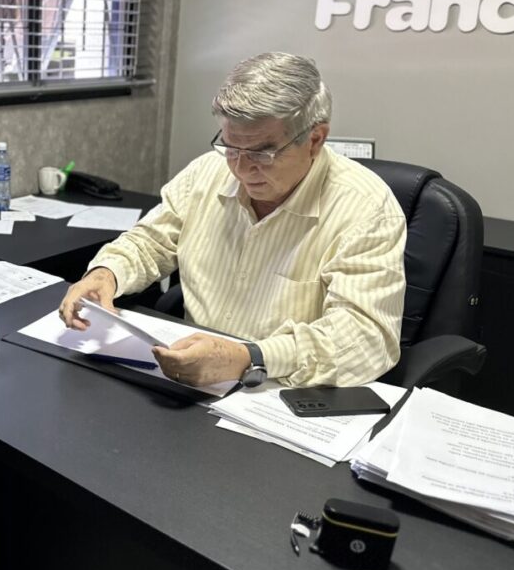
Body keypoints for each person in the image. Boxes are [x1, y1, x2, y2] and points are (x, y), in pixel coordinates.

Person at [59, 52, 406, 389]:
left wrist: (250, 356)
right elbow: (150, 242)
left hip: (284, 392)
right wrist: (106, 274)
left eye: (261, 153)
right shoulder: (206, 172)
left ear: (314, 140)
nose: (241, 169)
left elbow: (366, 339)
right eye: (230, 147)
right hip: (189, 379)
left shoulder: (366, 208)